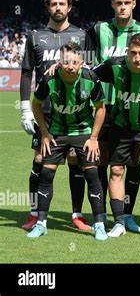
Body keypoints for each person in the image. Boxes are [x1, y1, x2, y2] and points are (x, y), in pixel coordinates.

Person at [87, 0, 140, 233]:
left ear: (134, 4)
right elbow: (88, 65)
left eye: (126, 3)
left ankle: (128, 215)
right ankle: (102, 215)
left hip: (138, 109)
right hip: (105, 108)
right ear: (112, 4)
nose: (122, 7)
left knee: (134, 162)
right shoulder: (98, 29)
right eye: (118, 3)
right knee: (103, 162)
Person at [20, 0, 92, 231]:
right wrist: (24, 109)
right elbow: (26, 73)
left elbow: (90, 70)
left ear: (69, 7)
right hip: (47, 111)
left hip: (75, 112)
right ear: (48, 7)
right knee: (40, 159)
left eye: (62, 4)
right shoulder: (35, 36)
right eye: (54, 4)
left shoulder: (82, 36)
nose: (58, 8)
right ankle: (34, 213)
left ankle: (77, 215)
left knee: (75, 160)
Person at [92, 34, 140, 240]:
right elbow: (87, 75)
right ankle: (119, 222)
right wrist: (59, 67)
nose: (137, 58)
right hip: (121, 126)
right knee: (116, 170)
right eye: (133, 53)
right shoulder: (113, 65)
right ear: (127, 51)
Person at [27, 42, 107, 240]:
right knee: (46, 173)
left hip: (84, 132)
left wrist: (94, 137)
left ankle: (99, 225)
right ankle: (41, 223)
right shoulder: (49, 78)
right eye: (66, 62)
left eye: (74, 62)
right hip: (57, 132)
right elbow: (36, 104)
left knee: (92, 175)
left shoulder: (91, 78)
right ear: (59, 62)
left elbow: (100, 108)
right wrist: (45, 133)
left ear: (81, 63)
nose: (70, 66)